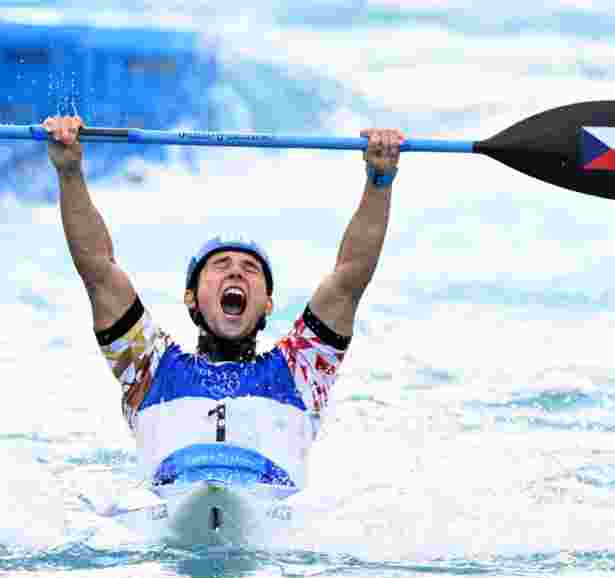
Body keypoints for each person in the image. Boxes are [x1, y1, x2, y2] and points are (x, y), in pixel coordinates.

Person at [43, 115, 402, 496]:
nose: (236, 273)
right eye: (220, 266)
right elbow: (99, 273)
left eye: (250, 268)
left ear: (266, 304)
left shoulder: (301, 370)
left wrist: (379, 181)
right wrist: (69, 171)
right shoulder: (149, 368)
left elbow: (349, 279)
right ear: (191, 298)